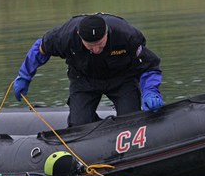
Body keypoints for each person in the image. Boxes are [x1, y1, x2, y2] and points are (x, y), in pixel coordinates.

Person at [13, 13, 163, 127]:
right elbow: (40, 50)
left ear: (107, 33)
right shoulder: (65, 36)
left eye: (100, 44)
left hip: (122, 79)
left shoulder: (126, 35)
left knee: (132, 121)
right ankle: (102, 130)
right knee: (79, 124)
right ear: (79, 36)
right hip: (84, 80)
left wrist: (150, 90)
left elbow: (149, 65)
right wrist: (24, 77)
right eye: (90, 46)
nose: (96, 49)